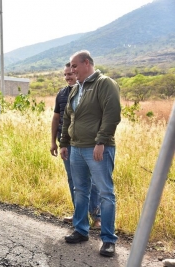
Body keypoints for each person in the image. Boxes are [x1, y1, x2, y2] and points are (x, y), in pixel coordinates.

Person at [59, 50, 121, 257]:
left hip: (97, 148)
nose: (72, 70)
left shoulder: (105, 84)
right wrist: (64, 143)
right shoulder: (76, 89)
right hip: (76, 148)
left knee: (105, 192)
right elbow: (68, 118)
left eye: (75, 66)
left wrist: (101, 141)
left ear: (87, 63)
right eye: (71, 67)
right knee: (80, 190)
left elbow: (112, 114)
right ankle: (81, 230)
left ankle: (108, 239)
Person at [50, 63, 101, 228]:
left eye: (70, 74)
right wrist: (53, 142)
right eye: (65, 74)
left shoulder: (89, 91)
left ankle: (97, 216)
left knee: (91, 181)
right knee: (73, 180)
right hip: (66, 143)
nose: (68, 77)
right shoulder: (62, 94)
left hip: (86, 143)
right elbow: (56, 119)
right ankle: (79, 215)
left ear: (77, 72)